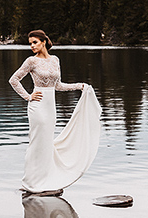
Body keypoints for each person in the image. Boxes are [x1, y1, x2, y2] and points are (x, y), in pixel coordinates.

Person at [9, 29, 101, 196]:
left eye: (34, 42)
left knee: (46, 143)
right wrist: (28, 96)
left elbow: (58, 86)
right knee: (36, 142)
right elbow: (14, 80)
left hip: (50, 107)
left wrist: (79, 86)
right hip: (37, 106)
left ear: (43, 42)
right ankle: (31, 182)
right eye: (30, 43)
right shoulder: (31, 61)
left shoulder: (55, 60)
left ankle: (45, 179)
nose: (32, 46)